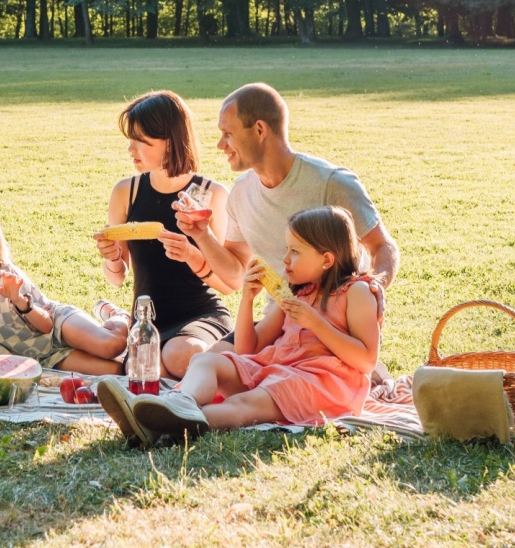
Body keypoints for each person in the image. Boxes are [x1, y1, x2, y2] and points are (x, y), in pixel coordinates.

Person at [98, 206, 384, 444]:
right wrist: (247, 299)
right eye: (287, 249)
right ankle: (178, 403)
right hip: (276, 370)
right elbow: (247, 349)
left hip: (320, 383)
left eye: (295, 251)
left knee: (240, 406)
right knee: (206, 361)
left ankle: (160, 425)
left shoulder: (356, 292)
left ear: (327, 260)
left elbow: (366, 361)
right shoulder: (299, 293)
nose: (285, 259)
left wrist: (316, 323)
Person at [181, 82, 398, 292]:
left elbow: (382, 246)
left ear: (259, 129)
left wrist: (373, 289)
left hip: (338, 313)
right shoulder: (241, 193)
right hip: (281, 313)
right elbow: (236, 274)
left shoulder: (331, 183)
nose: (220, 145)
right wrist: (202, 235)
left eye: (228, 134)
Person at [95, 91, 239, 377]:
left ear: (170, 142)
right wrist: (112, 258)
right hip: (146, 321)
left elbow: (227, 285)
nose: (131, 149)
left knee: (179, 356)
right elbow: (117, 278)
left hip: (200, 316)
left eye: (141, 141)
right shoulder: (126, 192)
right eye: (130, 140)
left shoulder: (211, 194)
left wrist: (192, 255)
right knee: (149, 371)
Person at [0, 209, 124, 374]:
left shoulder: (3, 274)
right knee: (118, 370)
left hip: (57, 324)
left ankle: (118, 316)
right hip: (43, 356)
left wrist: (18, 299)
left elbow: (46, 325)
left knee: (112, 346)